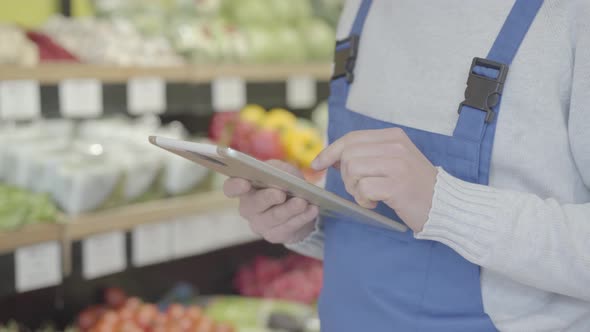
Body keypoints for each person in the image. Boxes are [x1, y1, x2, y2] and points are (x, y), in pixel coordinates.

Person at [223, 0, 590, 331]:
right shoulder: (362, 10)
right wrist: (305, 219)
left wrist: (444, 204)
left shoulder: (571, 16)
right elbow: (384, 236)